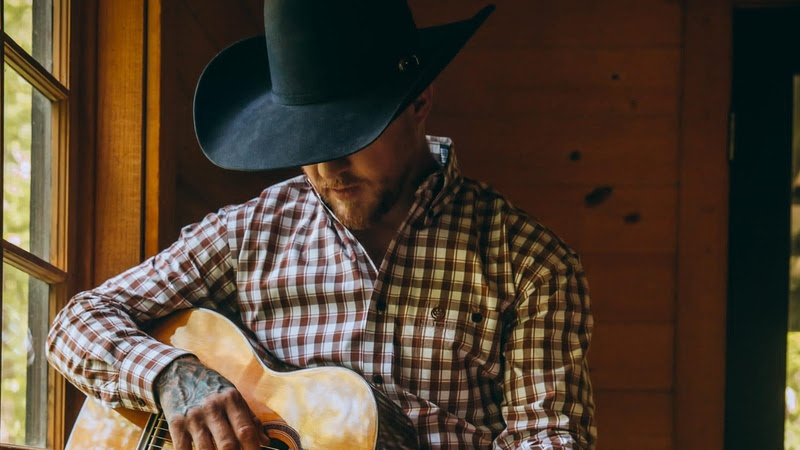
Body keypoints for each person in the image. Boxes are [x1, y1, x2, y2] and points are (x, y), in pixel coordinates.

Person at [47, 1, 596, 448]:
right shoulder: (251, 233)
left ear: (420, 102)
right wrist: (173, 376)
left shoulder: (530, 265)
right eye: (307, 144)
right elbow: (78, 321)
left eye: (352, 137)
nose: (328, 171)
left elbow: (548, 437)